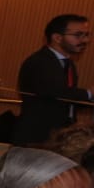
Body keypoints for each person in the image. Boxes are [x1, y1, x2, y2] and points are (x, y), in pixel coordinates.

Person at [15, 13, 92, 145]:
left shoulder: (68, 64)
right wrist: (89, 94)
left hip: (59, 135)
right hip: (37, 136)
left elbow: (65, 101)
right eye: (78, 35)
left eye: (87, 35)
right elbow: (55, 92)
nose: (85, 40)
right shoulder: (40, 61)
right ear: (57, 37)